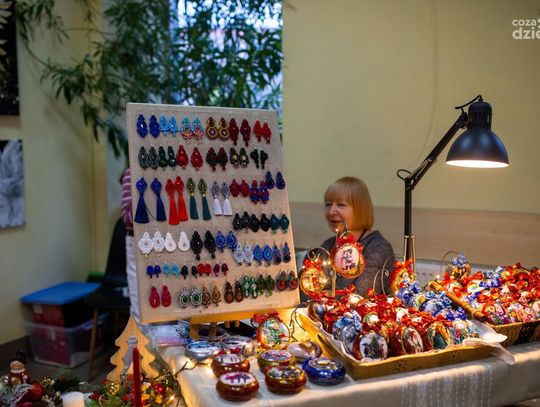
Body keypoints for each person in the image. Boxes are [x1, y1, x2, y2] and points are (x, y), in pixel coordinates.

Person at [321, 176, 394, 296]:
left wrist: (323, 295)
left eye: (341, 205)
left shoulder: (379, 248)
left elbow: (359, 296)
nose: (331, 212)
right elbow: (303, 293)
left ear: (360, 209)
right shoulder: (326, 246)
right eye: (328, 204)